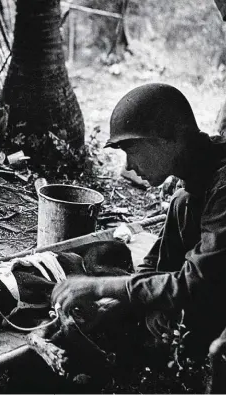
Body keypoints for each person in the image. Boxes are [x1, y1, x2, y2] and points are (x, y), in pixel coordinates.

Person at [52, 83, 226, 357]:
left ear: (170, 137)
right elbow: (158, 261)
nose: (128, 167)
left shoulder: (222, 187)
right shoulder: (191, 186)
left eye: (132, 150)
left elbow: (199, 283)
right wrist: (133, 302)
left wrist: (101, 286)